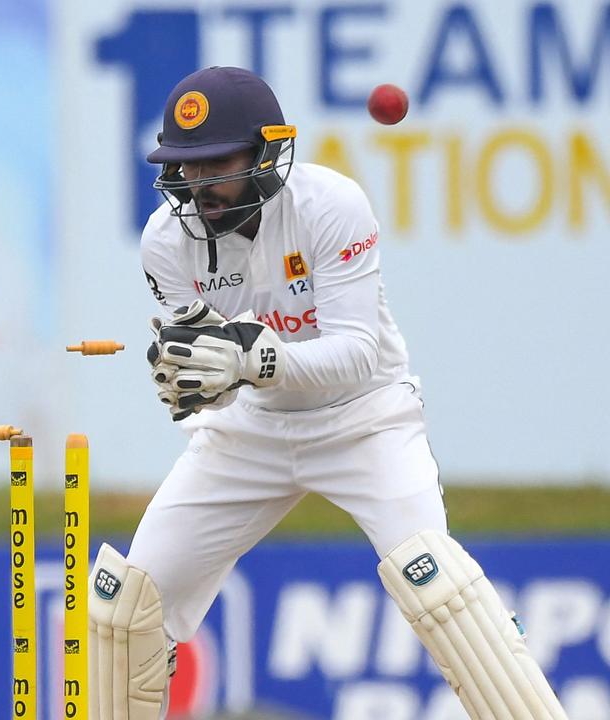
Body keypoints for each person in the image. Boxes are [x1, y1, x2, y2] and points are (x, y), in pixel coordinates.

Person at [86, 66, 568, 720]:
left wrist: (254, 358)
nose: (199, 185)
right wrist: (196, 379)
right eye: (186, 168)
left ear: (265, 155)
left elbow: (355, 354)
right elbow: (211, 378)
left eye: (216, 164)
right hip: (248, 435)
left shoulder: (331, 206)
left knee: (442, 590)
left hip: (365, 420)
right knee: (128, 609)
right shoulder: (165, 243)